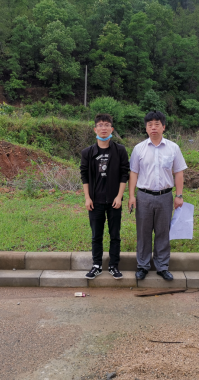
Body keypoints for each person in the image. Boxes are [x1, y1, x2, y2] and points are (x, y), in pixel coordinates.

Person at [127, 111, 187, 281]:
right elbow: (133, 173)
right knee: (143, 232)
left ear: (163, 127)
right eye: (150, 125)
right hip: (143, 196)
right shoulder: (139, 149)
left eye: (157, 124)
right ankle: (143, 266)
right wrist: (131, 196)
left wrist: (179, 195)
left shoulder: (173, 148)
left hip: (165, 196)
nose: (153, 127)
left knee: (163, 232)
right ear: (146, 128)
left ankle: (162, 266)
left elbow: (179, 172)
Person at [80, 113, 130, 280]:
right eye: (100, 125)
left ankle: (114, 265)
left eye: (107, 125)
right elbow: (84, 176)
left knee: (115, 234)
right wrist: (87, 198)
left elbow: (124, 174)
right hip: (95, 201)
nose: (103, 128)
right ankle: (97, 265)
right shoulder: (88, 152)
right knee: (96, 235)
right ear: (95, 129)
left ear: (111, 129)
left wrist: (119, 196)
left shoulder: (120, 150)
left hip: (114, 200)